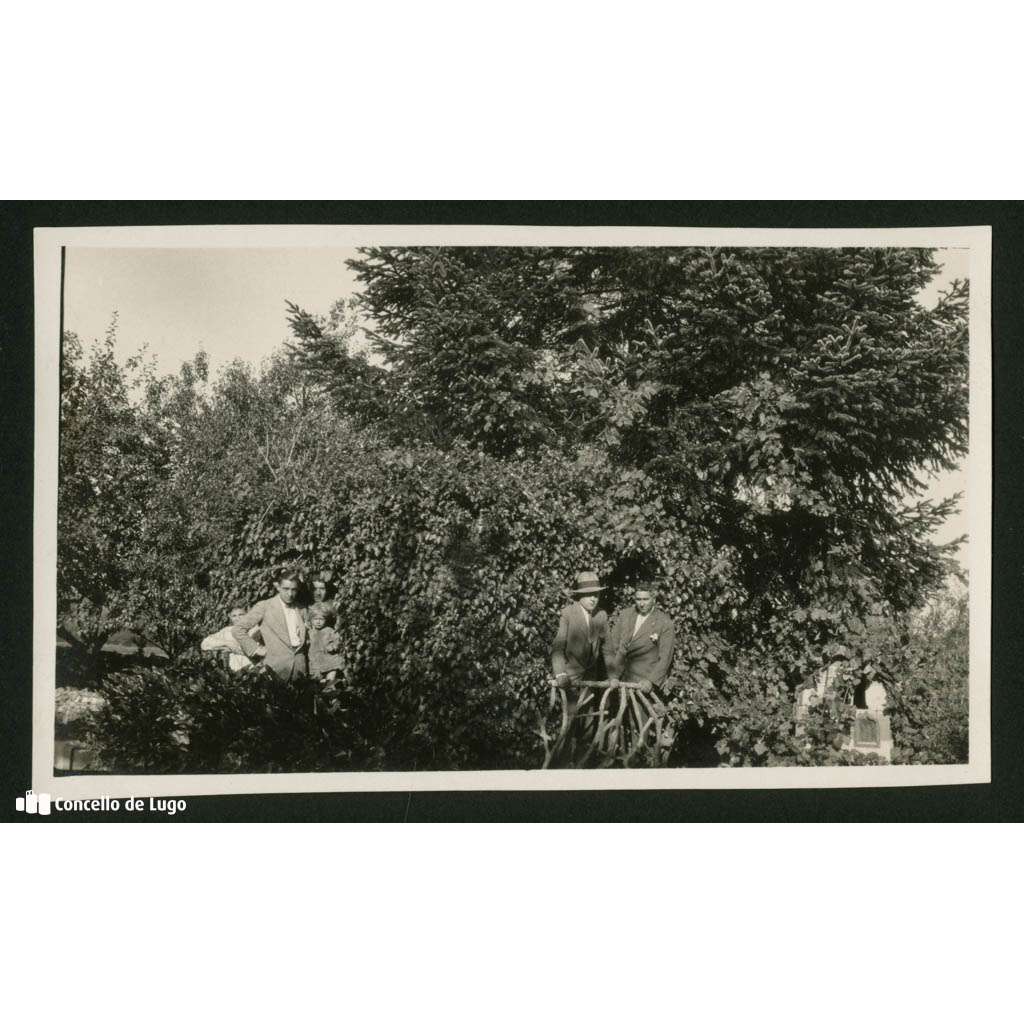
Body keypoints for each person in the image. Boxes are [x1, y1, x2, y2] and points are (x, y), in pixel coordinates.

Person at [230, 570, 310, 681]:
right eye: (286, 589)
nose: (290, 594)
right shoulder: (265, 606)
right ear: (278, 587)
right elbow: (238, 629)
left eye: (294, 590)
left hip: (299, 669)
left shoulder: (302, 609)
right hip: (276, 669)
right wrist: (256, 649)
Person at [604, 582, 675, 693]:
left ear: (654, 599)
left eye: (645, 599)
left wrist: (651, 681)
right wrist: (612, 674)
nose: (641, 604)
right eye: (638, 599)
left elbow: (665, 658)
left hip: (642, 684)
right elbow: (613, 646)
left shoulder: (664, 622)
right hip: (617, 681)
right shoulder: (625, 615)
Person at [551, 571, 609, 686]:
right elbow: (558, 648)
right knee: (570, 704)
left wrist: (613, 676)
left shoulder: (601, 615)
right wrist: (560, 673)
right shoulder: (569, 613)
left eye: (596, 594)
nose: (593, 599)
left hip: (591, 679)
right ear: (580, 595)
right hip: (569, 679)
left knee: (591, 704)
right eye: (589, 594)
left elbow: (608, 649)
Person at [200, 603, 261, 672]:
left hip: (253, 670)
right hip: (232, 672)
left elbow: (252, 649)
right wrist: (227, 643)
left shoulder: (255, 629)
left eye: (241, 615)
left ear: (247, 614)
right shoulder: (227, 630)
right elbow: (205, 643)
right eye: (234, 616)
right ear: (230, 617)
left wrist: (228, 648)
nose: (238, 618)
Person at [308, 602, 344, 687]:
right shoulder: (309, 633)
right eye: (315, 619)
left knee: (330, 685)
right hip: (316, 665)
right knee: (319, 687)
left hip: (330, 663)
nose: (318, 622)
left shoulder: (329, 631)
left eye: (321, 619)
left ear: (326, 619)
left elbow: (339, 641)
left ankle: (332, 697)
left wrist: (333, 646)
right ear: (311, 619)